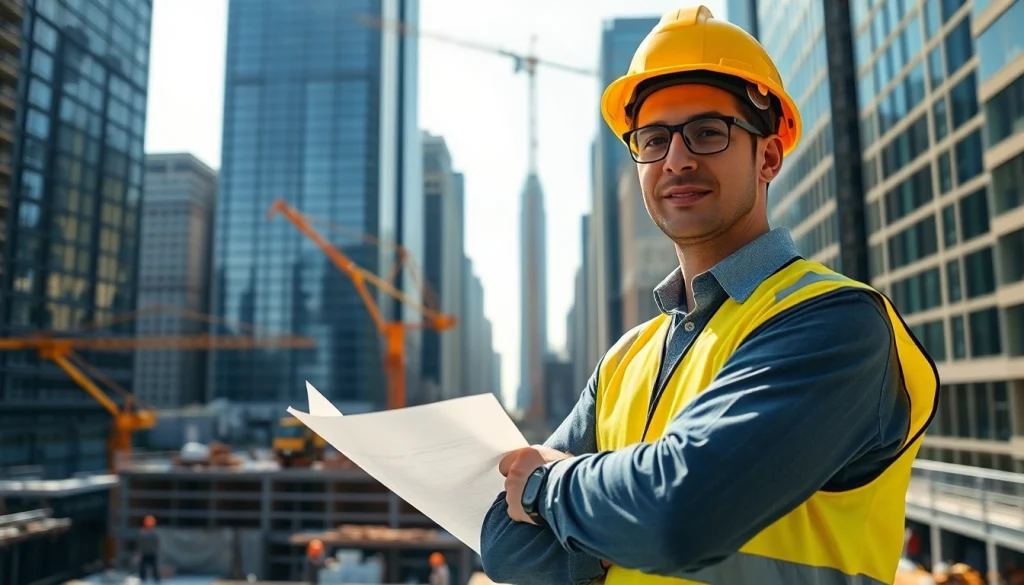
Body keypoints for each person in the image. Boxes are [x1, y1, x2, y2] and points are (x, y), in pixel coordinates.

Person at [479, 5, 938, 585]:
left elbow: (679, 517)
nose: (676, 158)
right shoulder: (625, 361)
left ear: (767, 155)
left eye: (706, 132)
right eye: (653, 139)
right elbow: (502, 545)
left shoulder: (836, 324)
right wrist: (615, 519)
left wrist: (550, 487)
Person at [137, 515, 160, 583]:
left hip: (151, 553)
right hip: (146, 553)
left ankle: (155, 579)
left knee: (154, 567)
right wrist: (140, 553)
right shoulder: (143, 533)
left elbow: (156, 543)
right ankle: (143, 579)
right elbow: (140, 544)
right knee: (143, 568)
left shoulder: (154, 533)